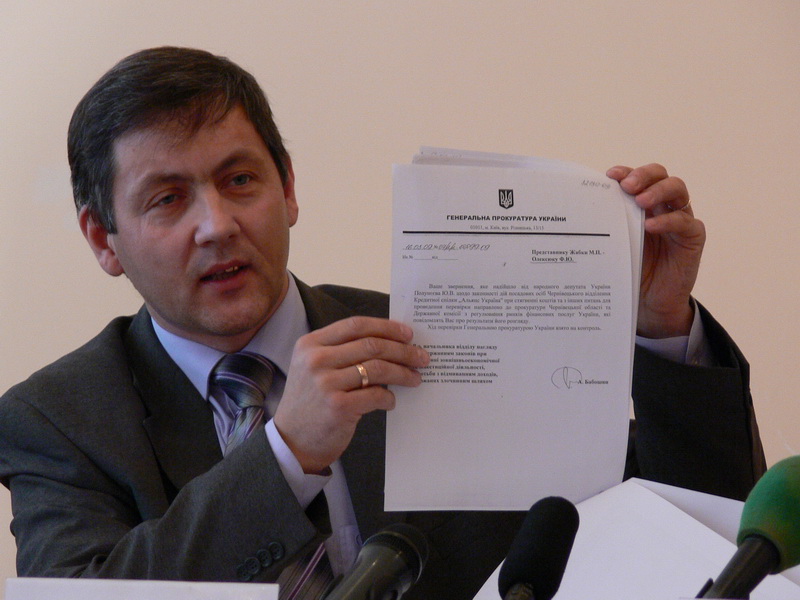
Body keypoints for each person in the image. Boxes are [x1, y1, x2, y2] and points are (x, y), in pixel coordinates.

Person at [0, 47, 765, 600]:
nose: (218, 225)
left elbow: (702, 535)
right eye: (167, 199)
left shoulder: (439, 339)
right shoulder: (58, 420)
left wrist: (662, 328)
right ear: (103, 240)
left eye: (240, 180)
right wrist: (285, 454)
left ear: (288, 188)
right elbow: (82, 593)